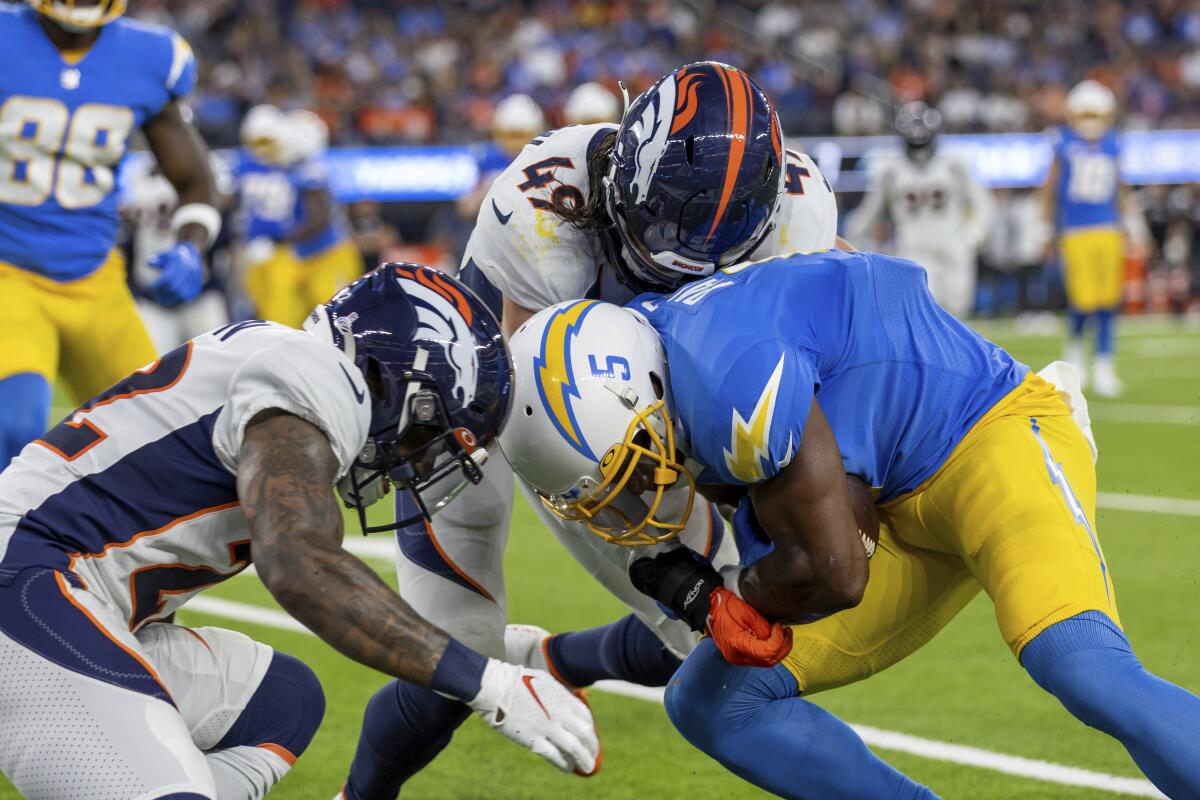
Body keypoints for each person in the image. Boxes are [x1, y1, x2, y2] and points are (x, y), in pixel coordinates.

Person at [503, 250, 1200, 800]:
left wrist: (714, 593)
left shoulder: (725, 380)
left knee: (1078, 663)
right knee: (715, 701)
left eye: (626, 470)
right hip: (882, 500)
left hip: (988, 436)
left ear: (641, 392)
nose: (630, 500)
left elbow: (834, 573)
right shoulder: (660, 365)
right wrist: (717, 595)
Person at [342, 60, 842, 799]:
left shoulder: (801, 215)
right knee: (453, 658)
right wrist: (682, 583)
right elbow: (555, 430)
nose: (683, 262)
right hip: (502, 408)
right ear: (623, 178)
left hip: (642, 403)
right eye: (662, 227)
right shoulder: (543, 207)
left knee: (727, 632)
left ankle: (561, 661)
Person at [0, 264, 598, 800]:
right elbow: (299, 564)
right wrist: (490, 683)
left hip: (76, 594)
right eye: (426, 435)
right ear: (391, 382)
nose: (413, 465)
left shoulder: (288, 359)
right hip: (28, 584)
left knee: (281, 699)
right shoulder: (315, 374)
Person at [0, 0, 221, 468]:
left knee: (162, 441)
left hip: (96, 277)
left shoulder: (150, 56)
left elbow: (196, 178)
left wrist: (190, 246)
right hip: (8, 271)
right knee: (14, 423)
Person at [1037, 80, 1150, 397]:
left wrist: (1133, 224)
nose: (1090, 120)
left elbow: (1121, 187)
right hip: (1075, 231)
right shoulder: (1062, 142)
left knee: (1108, 300)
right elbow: (1049, 187)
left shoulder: (1113, 143)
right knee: (1082, 300)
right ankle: (1073, 359)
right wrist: (1044, 227)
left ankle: (1103, 364)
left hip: (1108, 229)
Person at [846, 101, 994, 318]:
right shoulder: (891, 170)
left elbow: (985, 206)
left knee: (959, 315)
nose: (919, 149)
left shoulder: (953, 164)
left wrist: (971, 239)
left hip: (952, 248)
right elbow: (866, 216)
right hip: (914, 252)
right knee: (924, 318)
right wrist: (852, 246)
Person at [238, 107, 363, 329]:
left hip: (328, 254)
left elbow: (318, 219)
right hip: (305, 256)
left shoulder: (308, 170)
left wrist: (279, 240)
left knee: (337, 321)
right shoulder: (291, 169)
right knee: (290, 319)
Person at [122, 153, 234, 352]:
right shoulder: (137, 171)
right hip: (152, 296)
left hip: (201, 295)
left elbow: (224, 209)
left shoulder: (205, 171)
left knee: (217, 366)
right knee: (150, 372)